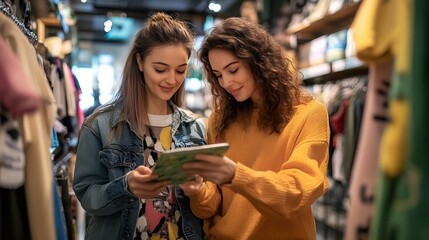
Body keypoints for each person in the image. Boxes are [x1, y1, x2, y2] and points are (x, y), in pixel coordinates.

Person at [180, 17, 330, 239]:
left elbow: (296, 194)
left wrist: (236, 175)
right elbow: (211, 207)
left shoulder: (308, 113)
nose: (226, 83)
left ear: (258, 61)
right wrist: (197, 191)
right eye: (218, 75)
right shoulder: (220, 119)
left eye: (233, 70)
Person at [72, 12, 206, 240]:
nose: (172, 80)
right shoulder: (101, 126)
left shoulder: (195, 128)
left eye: (180, 70)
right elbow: (87, 196)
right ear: (139, 62)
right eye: (161, 69)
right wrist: (126, 186)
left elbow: (205, 204)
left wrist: (199, 191)